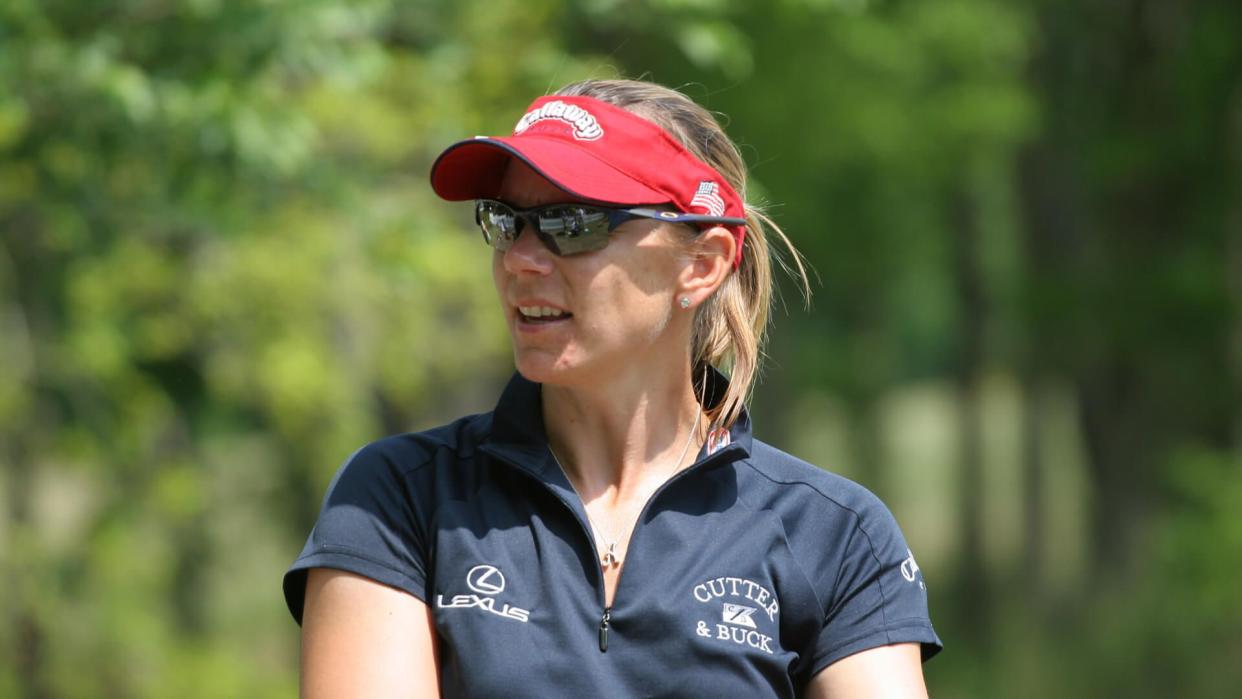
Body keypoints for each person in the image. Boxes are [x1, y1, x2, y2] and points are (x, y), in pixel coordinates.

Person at [283, 78, 942, 698]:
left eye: (574, 223)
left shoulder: (835, 532)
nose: (519, 258)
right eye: (506, 220)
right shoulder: (400, 496)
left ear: (702, 263)